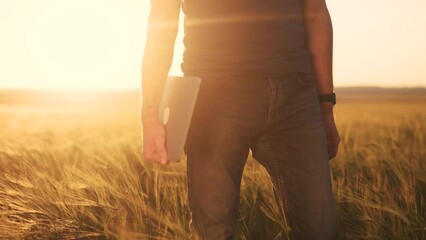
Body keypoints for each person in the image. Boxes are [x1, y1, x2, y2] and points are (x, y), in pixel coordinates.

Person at [141, 0, 340, 239]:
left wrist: (326, 106)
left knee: (318, 230)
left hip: (295, 93)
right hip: (213, 95)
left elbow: (316, 11)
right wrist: (150, 113)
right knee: (214, 231)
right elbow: (163, 16)